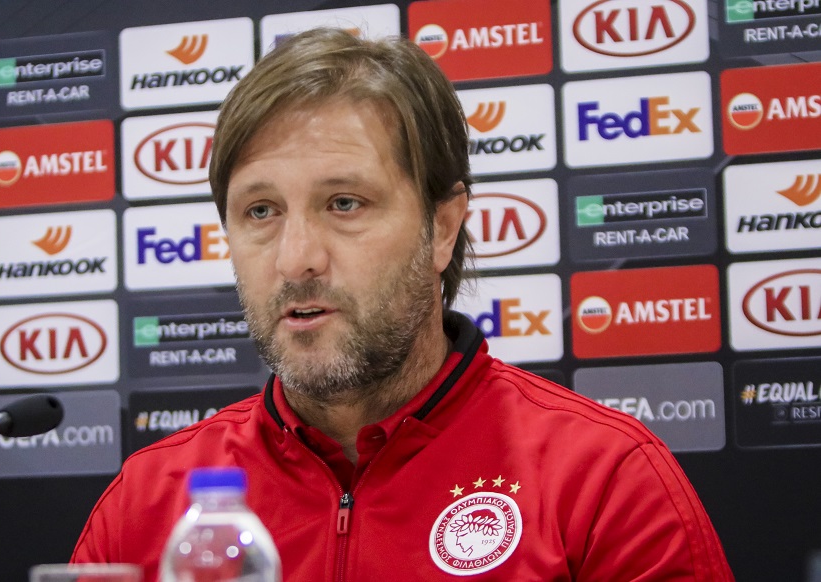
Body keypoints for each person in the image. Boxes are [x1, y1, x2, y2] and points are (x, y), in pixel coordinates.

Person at [72, 28, 733, 581]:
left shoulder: (603, 483)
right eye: (261, 211)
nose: (296, 258)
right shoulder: (147, 504)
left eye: (344, 203)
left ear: (442, 227)